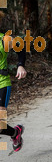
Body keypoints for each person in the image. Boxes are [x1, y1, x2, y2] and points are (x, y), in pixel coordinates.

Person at [0, 12, 27, 152]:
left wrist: (20, 65)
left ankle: (15, 133)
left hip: (2, 85)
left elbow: (21, 48)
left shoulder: (4, 39)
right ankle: (15, 132)